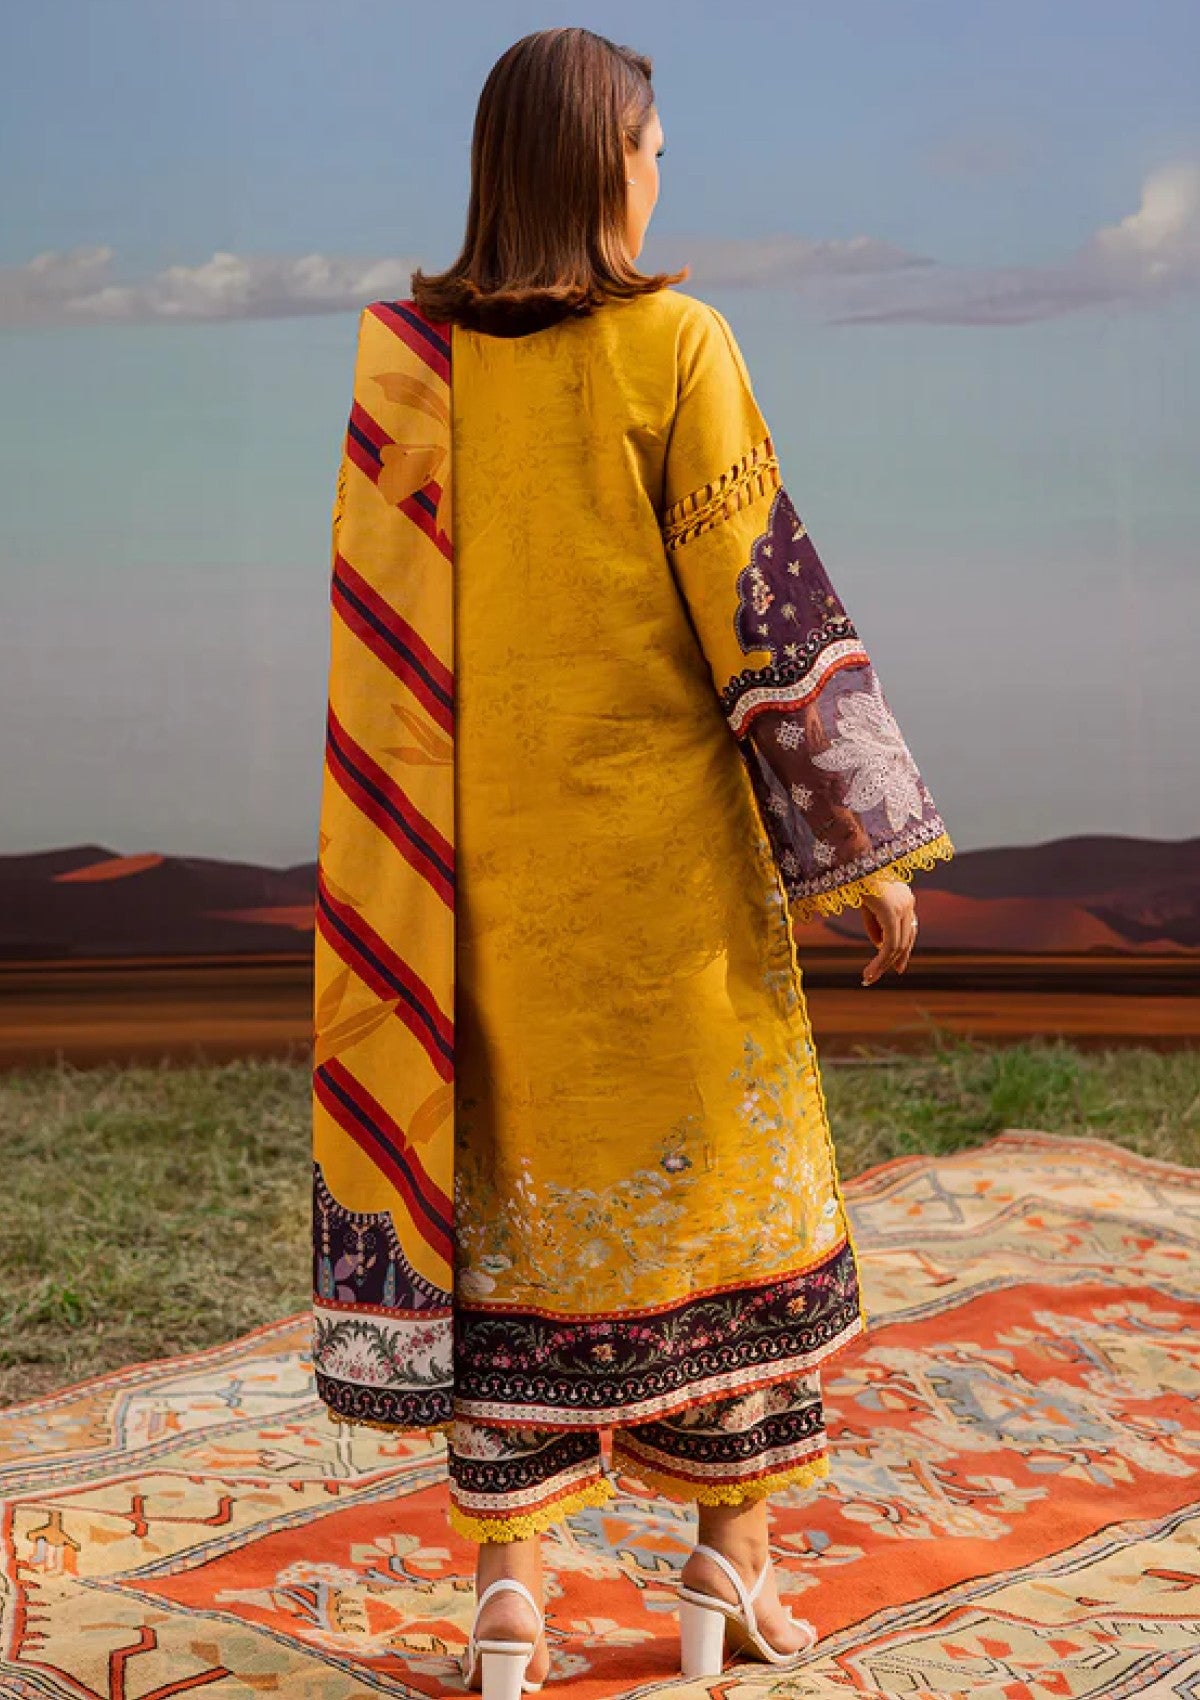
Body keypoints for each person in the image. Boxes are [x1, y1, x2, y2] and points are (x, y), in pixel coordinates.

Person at [310, 26, 955, 1693]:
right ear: (606, 160)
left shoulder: (410, 368)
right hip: (674, 898)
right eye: (655, 145)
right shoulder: (680, 342)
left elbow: (385, 667)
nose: (666, 171)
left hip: (481, 904)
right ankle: (729, 1570)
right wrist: (863, 850)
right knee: (732, 1219)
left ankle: (509, 1602)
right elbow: (763, 607)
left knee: (511, 1229)